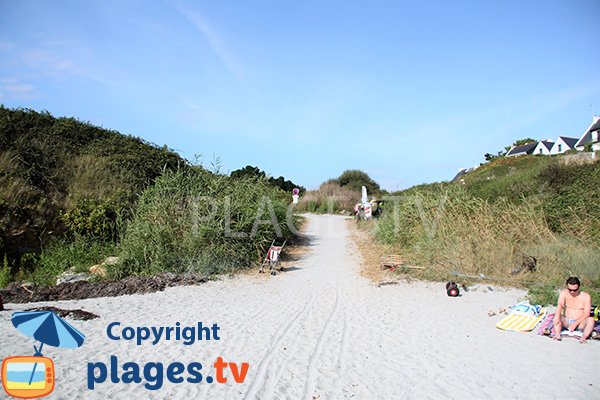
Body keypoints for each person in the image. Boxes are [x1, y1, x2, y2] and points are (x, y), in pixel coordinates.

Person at [552, 277, 595, 343]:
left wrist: (575, 324)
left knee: (591, 320)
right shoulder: (564, 293)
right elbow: (560, 305)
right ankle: (558, 335)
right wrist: (557, 317)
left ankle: (583, 337)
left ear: (579, 287)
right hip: (567, 321)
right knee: (557, 316)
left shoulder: (586, 296)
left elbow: (587, 313)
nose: (572, 292)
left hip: (580, 323)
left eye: (575, 290)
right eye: (570, 290)